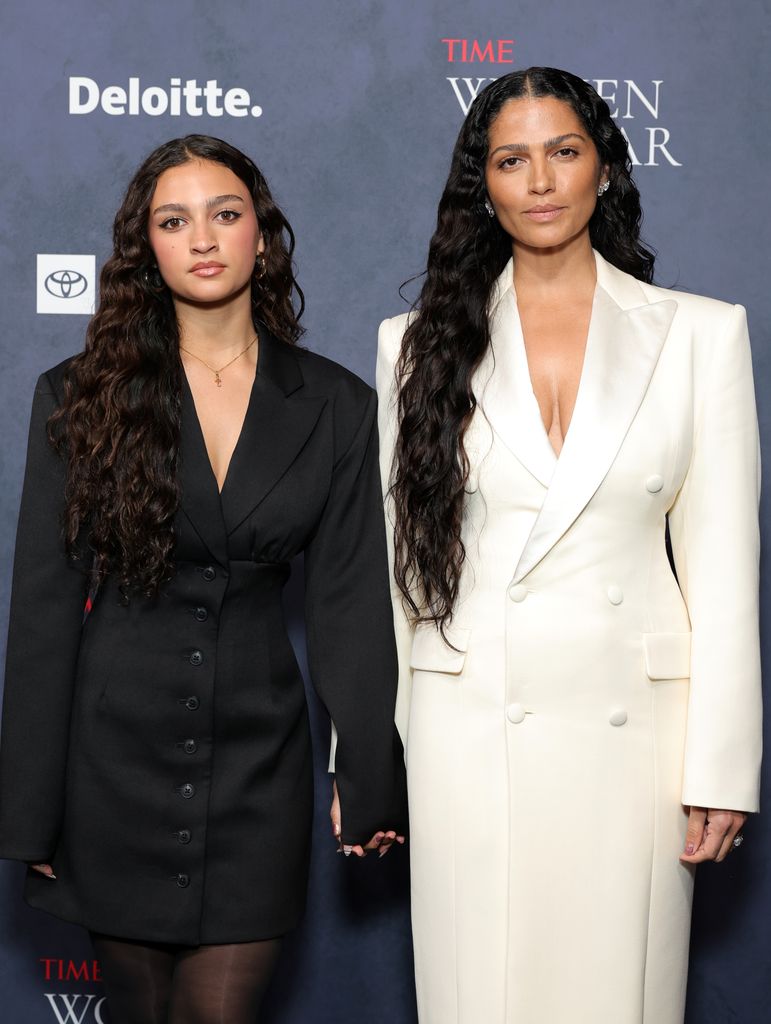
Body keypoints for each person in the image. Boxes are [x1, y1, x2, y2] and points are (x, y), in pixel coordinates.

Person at [376, 67, 761, 1024]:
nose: (540, 181)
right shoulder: (415, 344)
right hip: (469, 732)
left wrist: (721, 766)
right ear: (484, 183)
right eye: (512, 159)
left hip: (633, 741)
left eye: (563, 152)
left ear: (602, 168)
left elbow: (721, 566)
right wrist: (373, 757)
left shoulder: (698, 336)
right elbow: (396, 577)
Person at [0, 134, 406, 1023]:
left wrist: (368, 769)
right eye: (174, 220)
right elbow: (42, 608)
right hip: (111, 761)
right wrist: (31, 811)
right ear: (146, 247)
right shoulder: (77, 397)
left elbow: (349, 603)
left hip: (259, 758)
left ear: (263, 234)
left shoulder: (336, 405)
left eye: (225, 214)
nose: (204, 238)